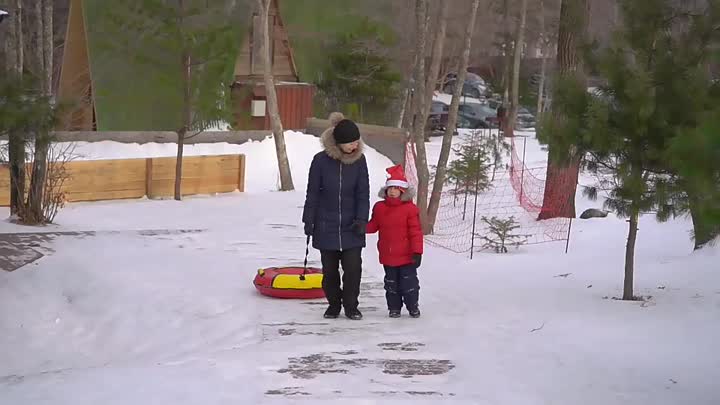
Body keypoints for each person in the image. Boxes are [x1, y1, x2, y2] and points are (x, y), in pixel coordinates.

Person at [302, 112, 370, 320]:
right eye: (350, 143)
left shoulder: (360, 161)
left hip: (352, 226)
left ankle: (351, 306)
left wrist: (361, 219)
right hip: (326, 224)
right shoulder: (320, 161)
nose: (355, 146)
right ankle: (333, 304)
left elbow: (363, 193)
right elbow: (312, 192)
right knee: (329, 271)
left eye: (357, 142)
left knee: (353, 269)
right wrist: (309, 219)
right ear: (339, 143)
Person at [366, 164, 424, 318]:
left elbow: (416, 232)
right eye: (390, 188)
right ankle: (394, 308)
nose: (392, 191)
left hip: (406, 256)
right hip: (388, 255)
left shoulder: (410, 209)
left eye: (396, 189)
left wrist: (417, 252)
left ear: (402, 191)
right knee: (391, 284)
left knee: (409, 284)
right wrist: (361, 227)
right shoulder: (379, 207)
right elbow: (373, 225)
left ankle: (413, 306)